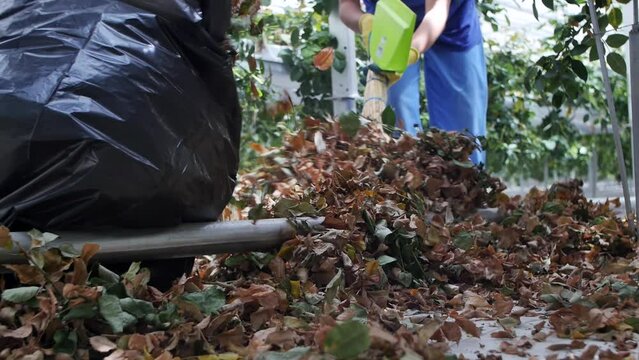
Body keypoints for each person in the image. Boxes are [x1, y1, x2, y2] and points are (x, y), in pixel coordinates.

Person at [338, 0, 488, 165]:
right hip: (390, 22)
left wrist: (412, 50)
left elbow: (437, 11)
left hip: (453, 21)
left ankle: (466, 180)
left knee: (462, 132)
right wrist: (364, 21)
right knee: (397, 117)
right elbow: (346, 5)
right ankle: (405, 177)